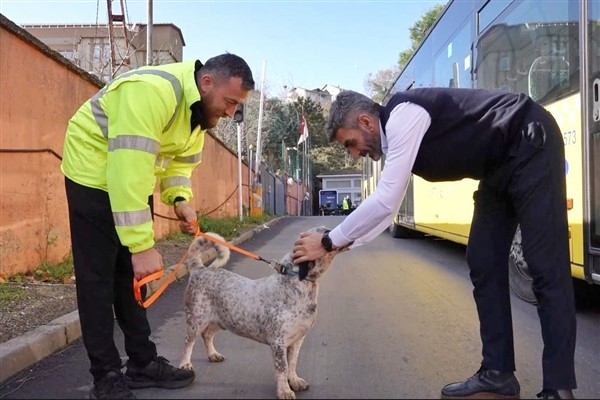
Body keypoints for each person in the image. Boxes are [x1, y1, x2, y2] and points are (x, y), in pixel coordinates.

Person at [292, 89, 576, 400]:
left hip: (528, 139)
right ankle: (498, 375)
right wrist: (334, 245)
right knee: (483, 261)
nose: (355, 153)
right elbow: (389, 211)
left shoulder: (403, 117)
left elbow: (386, 201)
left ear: (365, 121)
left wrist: (329, 241)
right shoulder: (396, 138)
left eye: (351, 143)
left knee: (546, 267)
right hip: (496, 167)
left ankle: (558, 388)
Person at [61, 53, 255, 399]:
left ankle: (141, 363)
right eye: (230, 103)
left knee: (133, 279)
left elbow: (180, 160)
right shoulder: (151, 92)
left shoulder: (198, 112)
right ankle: (105, 374)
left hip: (129, 180)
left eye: (236, 107)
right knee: (98, 280)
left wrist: (179, 197)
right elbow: (127, 169)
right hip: (92, 172)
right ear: (207, 82)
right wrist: (141, 245)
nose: (230, 113)